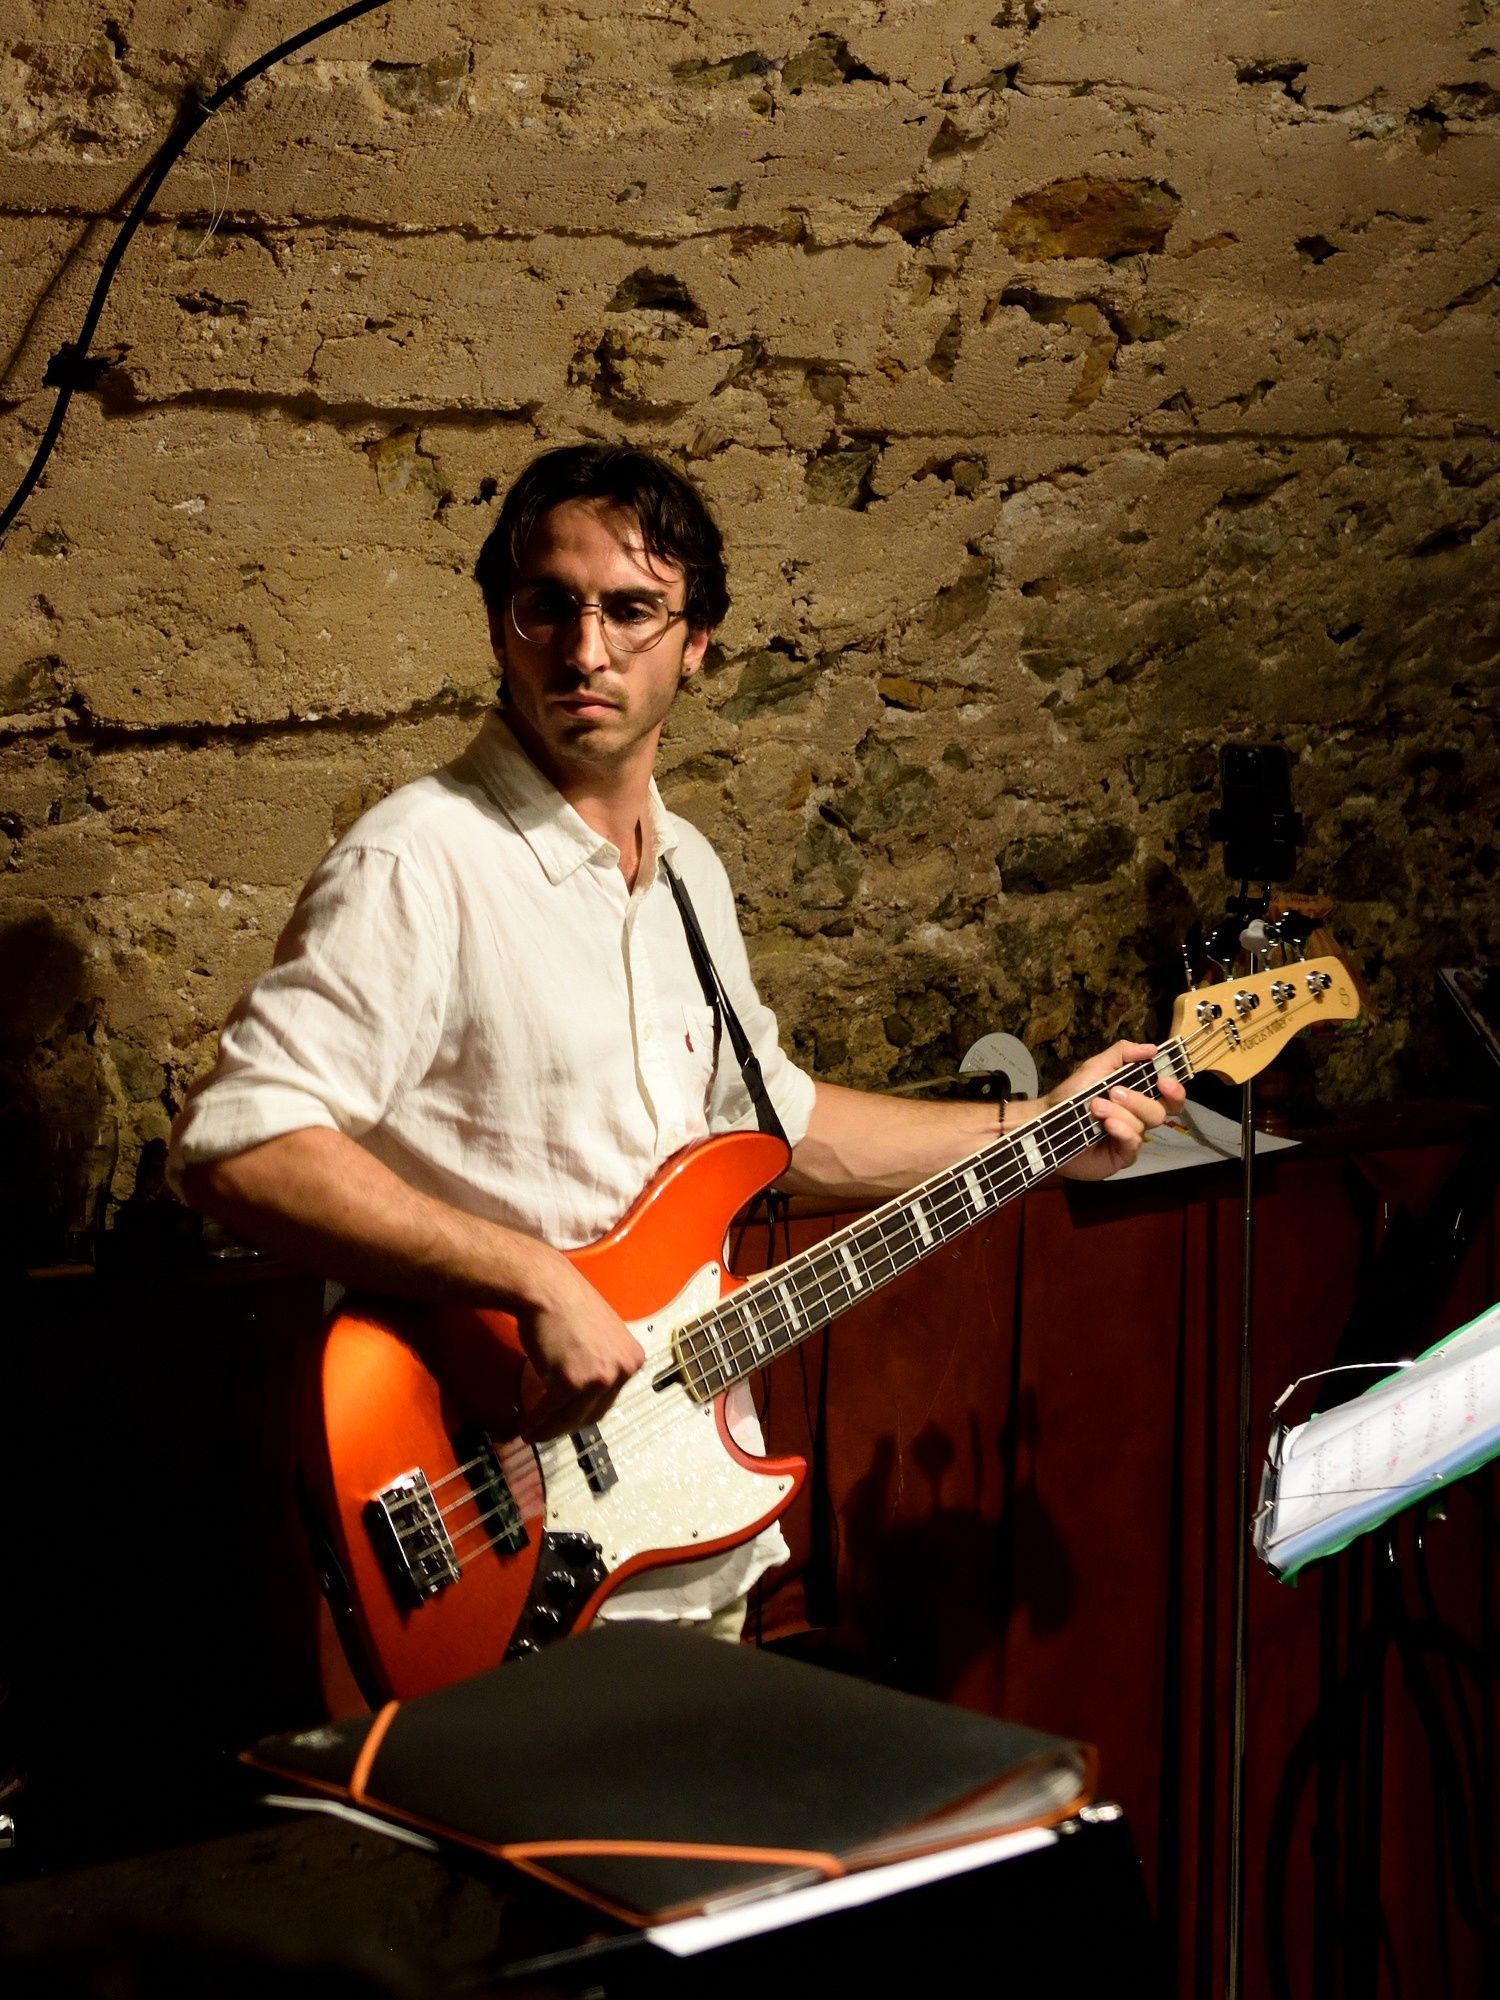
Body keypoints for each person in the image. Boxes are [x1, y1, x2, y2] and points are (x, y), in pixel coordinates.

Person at [169, 443, 1183, 1633]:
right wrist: (532, 1277)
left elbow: (778, 1126)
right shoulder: (417, 862)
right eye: (549, 606)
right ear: (500, 627)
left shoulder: (688, 868)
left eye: (631, 609)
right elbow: (240, 1145)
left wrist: (1042, 1130)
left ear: (697, 641)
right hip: (501, 1532)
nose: (585, 649)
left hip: (692, 1524)